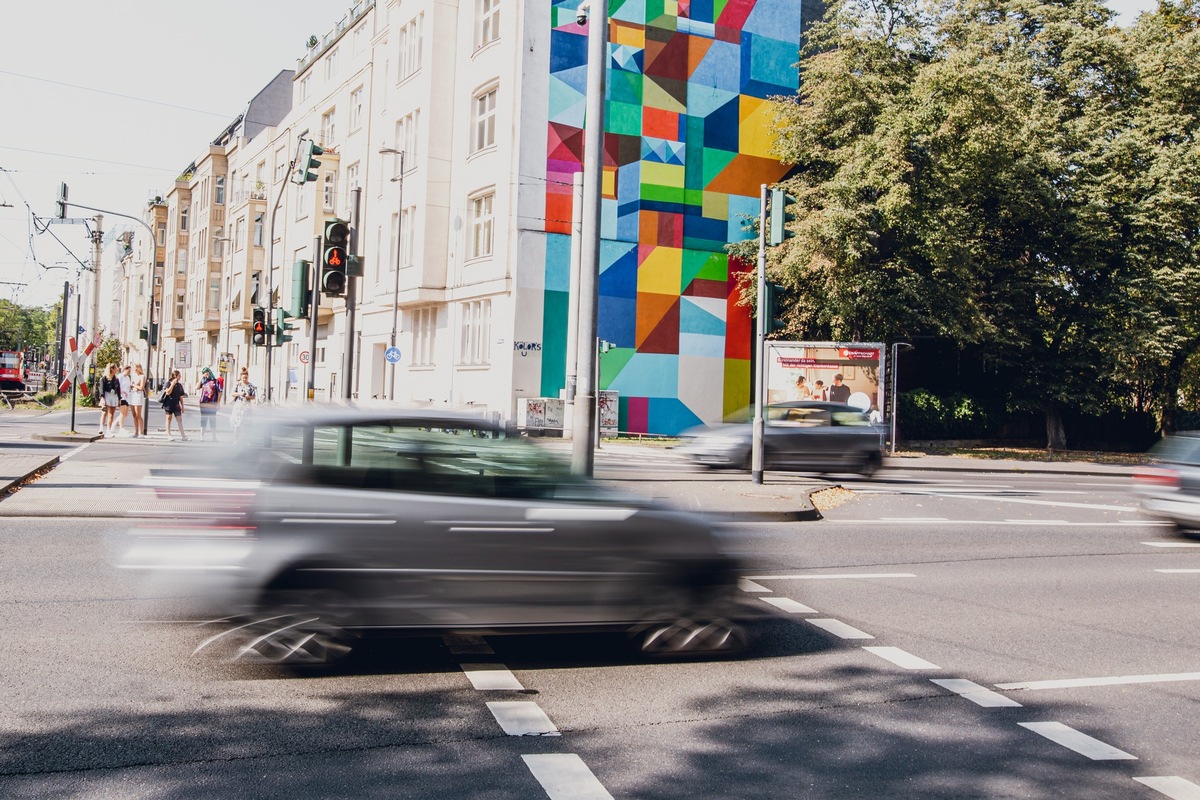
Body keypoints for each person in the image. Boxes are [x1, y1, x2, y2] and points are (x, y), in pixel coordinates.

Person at [161, 369, 189, 441]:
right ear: (175, 376)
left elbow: (180, 396)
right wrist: (172, 385)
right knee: (168, 419)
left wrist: (182, 406)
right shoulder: (168, 383)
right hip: (169, 404)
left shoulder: (179, 385)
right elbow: (168, 392)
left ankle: (183, 436)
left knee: (179, 420)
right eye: (179, 375)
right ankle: (169, 435)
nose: (180, 377)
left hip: (176, 404)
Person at [230, 367, 256, 441]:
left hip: (247, 407)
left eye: (246, 378)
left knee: (247, 425)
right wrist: (239, 394)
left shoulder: (250, 385)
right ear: (241, 377)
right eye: (243, 378)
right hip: (238, 407)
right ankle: (236, 440)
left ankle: (247, 441)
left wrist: (249, 396)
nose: (245, 379)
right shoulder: (238, 384)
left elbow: (254, 396)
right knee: (237, 424)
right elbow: (232, 393)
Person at [197, 367, 222, 441]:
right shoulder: (204, 381)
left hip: (212, 403)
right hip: (204, 403)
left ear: (210, 372)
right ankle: (202, 436)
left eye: (207, 372)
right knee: (203, 420)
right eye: (204, 373)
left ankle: (214, 437)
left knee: (212, 420)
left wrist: (218, 403)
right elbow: (197, 387)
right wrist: (201, 378)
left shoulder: (216, 381)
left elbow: (220, 392)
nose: (206, 374)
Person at [99, 364, 121, 437]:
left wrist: (119, 399)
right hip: (107, 395)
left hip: (114, 396)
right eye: (116, 368)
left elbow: (118, 389)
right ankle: (101, 427)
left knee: (111, 414)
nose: (117, 369)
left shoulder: (116, 379)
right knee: (104, 412)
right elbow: (101, 389)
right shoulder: (104, 378)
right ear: (112, 369)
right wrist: (102, 398)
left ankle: (109, 430)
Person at [128, 364, 147, 438]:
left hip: (138, 394)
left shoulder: (142, 376)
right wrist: (131, 386)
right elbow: (131, 384)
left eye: (136, 369)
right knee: (134, 415)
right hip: (132, 394)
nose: (135, 370)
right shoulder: (133, 375)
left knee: (138, 414)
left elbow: (142, 387)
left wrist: (134, 386)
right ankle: (135, 431)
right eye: (134, 369)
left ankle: (141, 432)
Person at [116, 365, 133, 436]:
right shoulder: (120, 376)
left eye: (130, 371)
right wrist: (121, 391)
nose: (129, 372)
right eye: (128, 371)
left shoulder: (128, 378)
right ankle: (121, 428)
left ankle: (121, 426)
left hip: (127, 397)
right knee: (122, 412)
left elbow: (128, 386)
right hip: (121, 397)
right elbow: (117, 385)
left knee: (126, 413)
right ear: (124, 370)